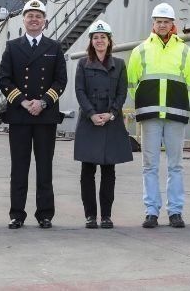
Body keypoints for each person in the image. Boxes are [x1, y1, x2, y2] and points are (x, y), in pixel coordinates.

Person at [127, 2, 190, 229]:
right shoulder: (140, 51)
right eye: (159, 22)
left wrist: (177, 104)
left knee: (176, 165)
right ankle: (151, 211)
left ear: (172, 24)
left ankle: (175, 211)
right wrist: (147, 102)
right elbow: (132, 83)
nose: (162, 25)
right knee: (150, 164)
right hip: (150, 115)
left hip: (175, 114)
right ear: (153, 24)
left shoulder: (185, 50)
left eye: (166, 22)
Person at [0, 0, 67, 229]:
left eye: (38, 16)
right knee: (19, 167)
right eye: (30, 15)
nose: (34, 19)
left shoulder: (54, 47)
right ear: (24, 20)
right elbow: (5, 80)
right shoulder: (12, 46)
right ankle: (17, 214)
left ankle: (45, 214)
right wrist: (24, 102)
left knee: (44, 167)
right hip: (20, 116)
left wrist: (44, 102)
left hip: (45, 117)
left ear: (45, 22)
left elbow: (60, 81)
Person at [73, 20, 132, 229]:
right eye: (95, 37)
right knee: (87, 171)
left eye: (103, 37)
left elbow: (122, 92)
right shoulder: (82, 64)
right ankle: (90, 215)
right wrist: (91, 114)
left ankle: (106, 215)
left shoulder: (120, 64)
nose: (99, 41)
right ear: (91, 41)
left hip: (110, 122)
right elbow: (79, 91)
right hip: (89, 122)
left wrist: (112, 114)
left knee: (109, 171)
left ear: (109, 41)